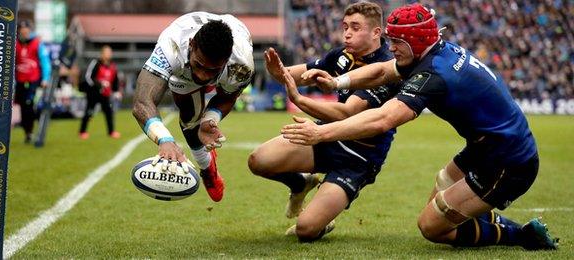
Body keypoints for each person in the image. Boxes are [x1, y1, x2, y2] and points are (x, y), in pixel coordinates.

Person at [275, 3, 559, 250]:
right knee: (442, 195)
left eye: (396, 41)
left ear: (414, 42)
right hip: (487, 146)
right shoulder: (433, 53)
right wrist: (338, 82)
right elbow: (382, 71)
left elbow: (383, 118)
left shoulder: (434, 74)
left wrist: (320, 133)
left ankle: (521, 235)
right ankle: (482, 213)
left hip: (508, 161)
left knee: (432, 226)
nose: (391, 47)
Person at [249, 2, 398, 242]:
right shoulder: (341, 56)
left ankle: (324, 213)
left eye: (355, 27)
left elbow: (348, 114)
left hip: (360, 156)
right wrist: (276, 70)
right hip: (327, 136)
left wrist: (299, 99)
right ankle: (300, 183)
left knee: (306, 230)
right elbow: (291, 74)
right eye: (345, 26)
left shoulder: (388, 68)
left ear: (376, 32)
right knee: (259, 161)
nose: (347, 33)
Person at [132, 12, 254, 202]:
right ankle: (209, 168)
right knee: (189, 120)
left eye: (212, 70)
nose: (203, 76)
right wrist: (165, 140)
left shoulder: (241, 63)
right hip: (183, 66)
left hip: (236, 33)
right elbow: (142, 102)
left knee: (202, 123)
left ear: (227, 58)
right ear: (191, 44)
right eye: (200, 65)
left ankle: (207, 172)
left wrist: (211, 119)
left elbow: (228, 96)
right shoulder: (171, 47)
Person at [15, 20, 51, 143]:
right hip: (20, 80)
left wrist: (45, 78)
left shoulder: (37, 44)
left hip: (33, 80)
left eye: (26, 30)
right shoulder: (15, 44)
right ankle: (27, 132)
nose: (24, 33)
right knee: (23, 106)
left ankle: (32, 130)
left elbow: (45, 62)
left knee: (30, 104)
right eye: (22, 30)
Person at [79, 45, 121, 139]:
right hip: (93, 93)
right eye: (107, 52)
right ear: (102, 54)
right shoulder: (96, 63)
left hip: (105, 94)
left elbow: (115, 80)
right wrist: (100, 83)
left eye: (110, 52)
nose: (109, 54)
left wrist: (116, 91)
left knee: (109, 113)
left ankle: (111, 132)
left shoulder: (112, 66)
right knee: (89, 112)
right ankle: (82, 131)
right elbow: (88, 77)